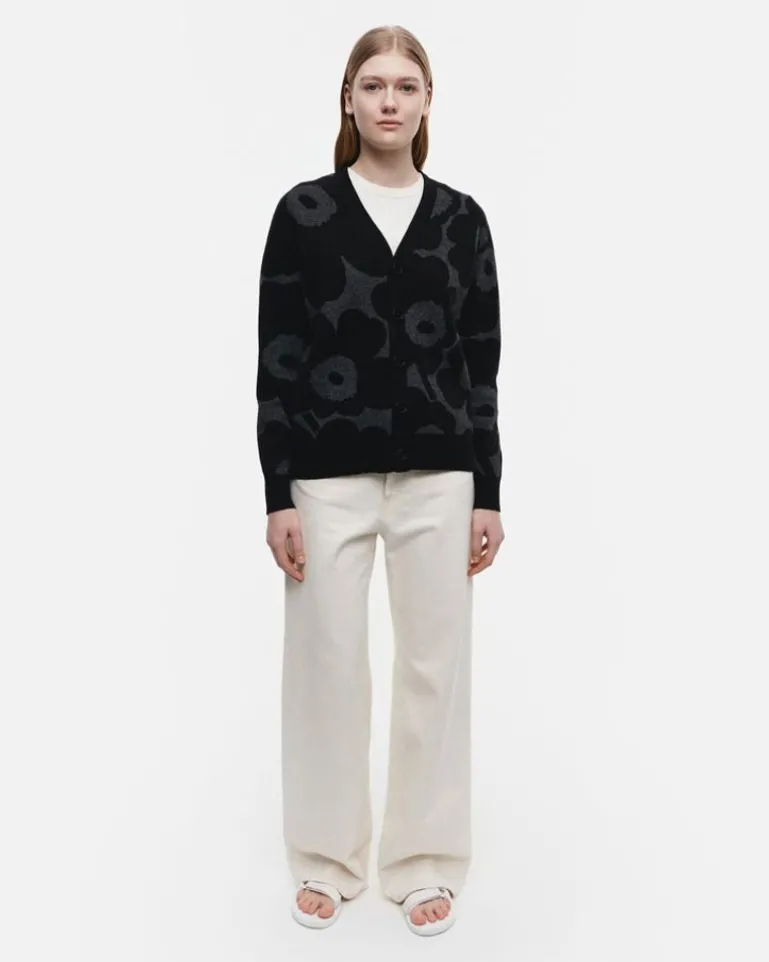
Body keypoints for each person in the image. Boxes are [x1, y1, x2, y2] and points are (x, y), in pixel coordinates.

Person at [256, 24, 504, 936]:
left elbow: (482, 361)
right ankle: (326, 859)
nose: (388, 100)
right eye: (372, 85)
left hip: (441, 473)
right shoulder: (304, 213)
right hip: (325, 479)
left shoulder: (461, 220)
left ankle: (423, 860)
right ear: (348, 99)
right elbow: (277, 358)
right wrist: (277, 492)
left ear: (427, 100)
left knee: (435, 669)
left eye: (404, 85)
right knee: (325, 666)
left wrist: (488, 489)